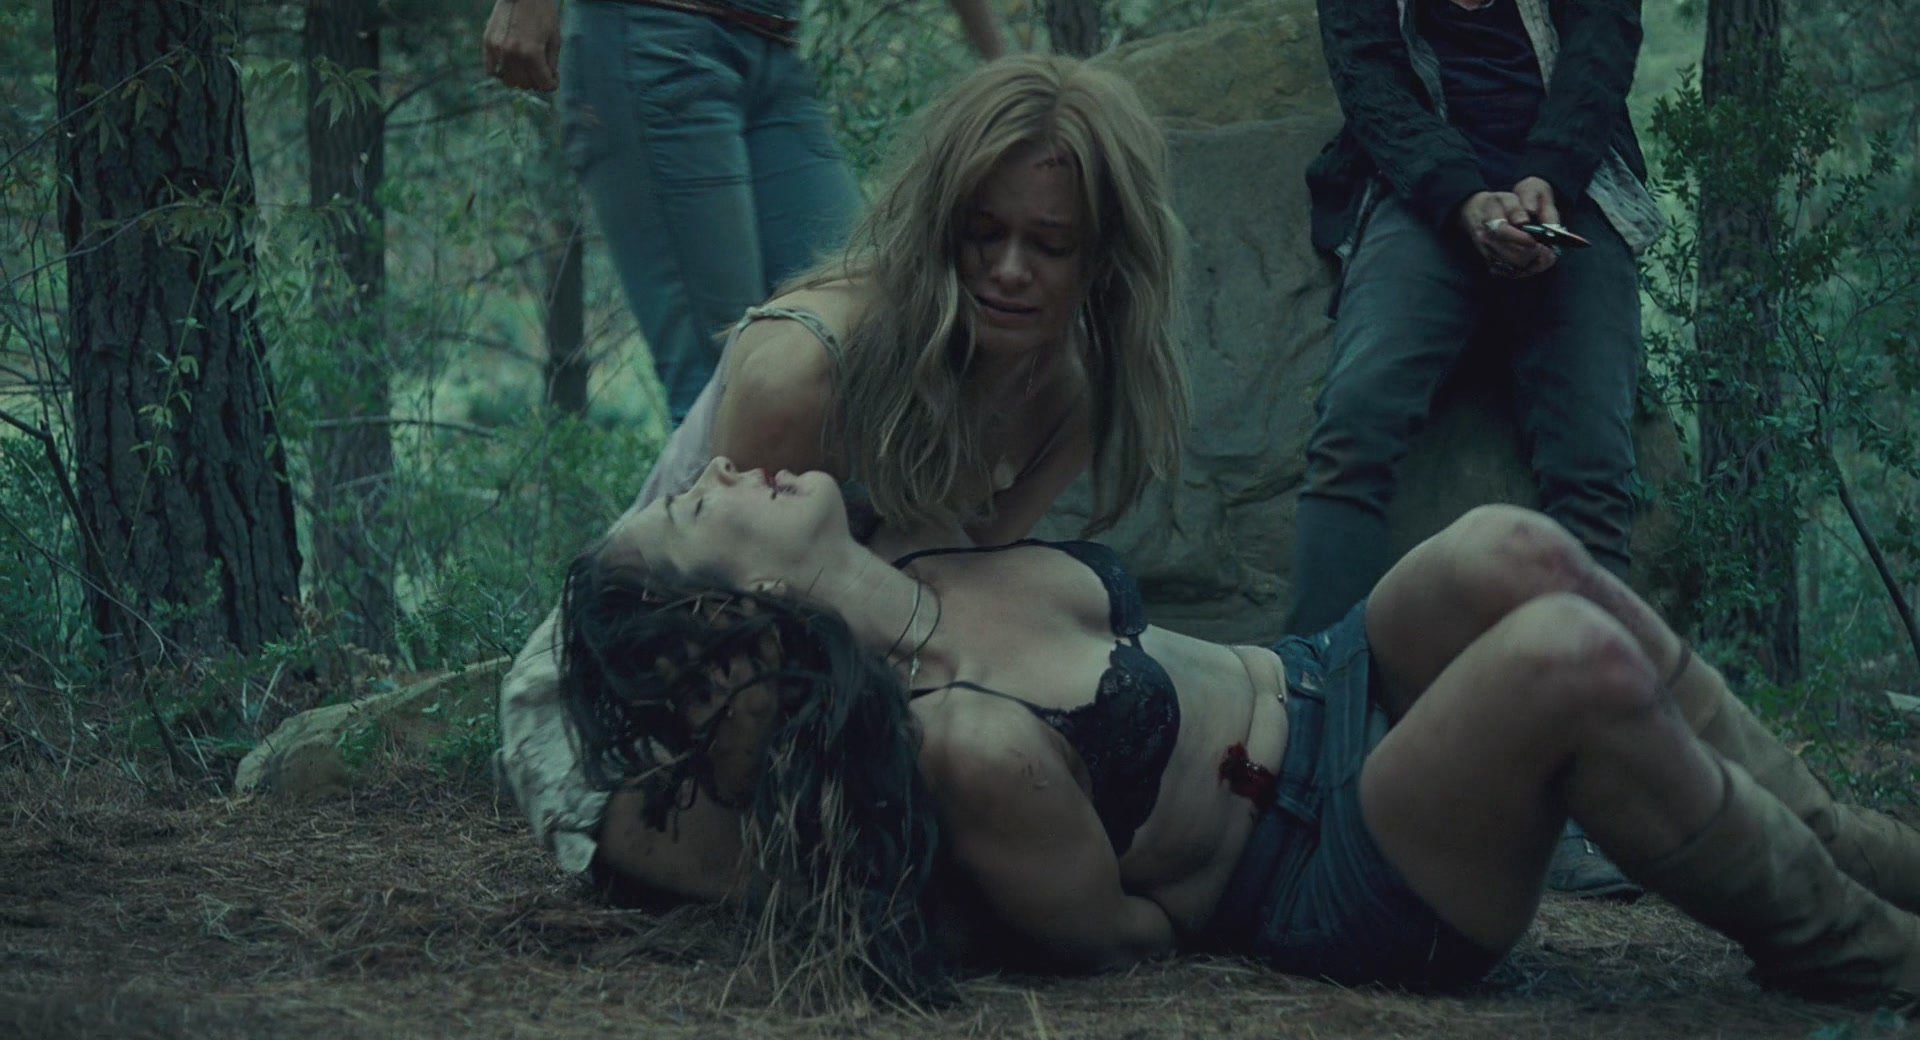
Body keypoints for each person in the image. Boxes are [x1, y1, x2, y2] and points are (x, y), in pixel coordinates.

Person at [559, 457, 1920, 1006]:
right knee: (1565, 658)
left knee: (1513, 546)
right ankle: (1859, 949)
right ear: (737, 615)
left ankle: (1850, 844)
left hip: (1322, 677)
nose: (716, 466)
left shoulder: (920, 548)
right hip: (1327, 859)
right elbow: (1129, 936)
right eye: (689, 507)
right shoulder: (963, 746)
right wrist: (1208, 840)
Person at [495, 54, 1192, 882]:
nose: (1009, 270)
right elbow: (726, 655)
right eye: (983, 232)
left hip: (868, 682)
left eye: (1049, 244)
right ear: (941, 221)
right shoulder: (804, 374)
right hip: (661, 693)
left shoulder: (1069, 397)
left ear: (1102, 258)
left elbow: (969, 601)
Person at [1287, 0, 1669, 896]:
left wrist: (1547, 177)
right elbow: (1369, 78)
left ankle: (1582, 800)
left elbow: (1603, 43)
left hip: (1569, 194)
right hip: (1423, 197)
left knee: (1593, 471)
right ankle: (1304, 760)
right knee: (1354, 425)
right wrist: (1461, 196)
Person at [482, 0, 1008, 422]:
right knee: (723, 388)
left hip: (774, 52)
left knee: (869, 349)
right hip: (653, 37)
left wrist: (1010, 74)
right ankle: (713, 526)